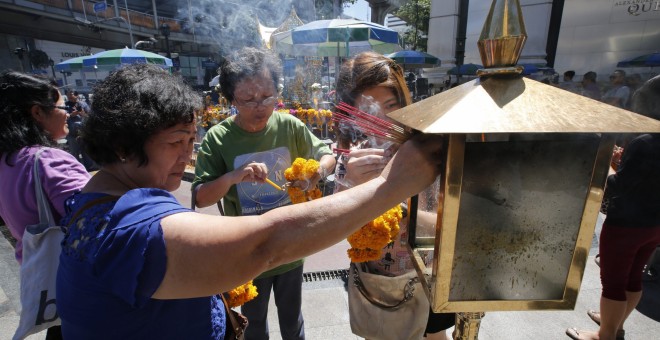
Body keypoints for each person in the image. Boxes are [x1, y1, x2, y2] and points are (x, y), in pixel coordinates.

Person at [54, 63, 442, 339]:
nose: (187, 154)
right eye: (176, 142)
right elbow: (263, 245)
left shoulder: (100, 196)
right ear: (123, 145)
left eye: (192, 140)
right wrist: (390, 187)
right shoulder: (127, 226)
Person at [192, 47, 337, 340]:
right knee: (253, 323)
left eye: (267, 96)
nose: (260, 106)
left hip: (291, 246)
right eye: (247, 99)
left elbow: (326, 155)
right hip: (248, 250)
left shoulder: (289, 125)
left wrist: (315, 174)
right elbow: (200, 197)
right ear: (231, 98)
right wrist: (234, 176)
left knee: (292, 321)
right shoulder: (219, 138)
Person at [335, 51, 455, 340]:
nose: (385, 119)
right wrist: (348, 184)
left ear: (404, 99)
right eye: (368, 111)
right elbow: (337, 226)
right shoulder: (354, 159)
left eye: (392, 104)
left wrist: (403, 211)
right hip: (376, 278)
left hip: (428, 275)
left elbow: (451, 224)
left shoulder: (433, 149)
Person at [566, 75, 660, 340]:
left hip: (627, 225)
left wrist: (609, 163)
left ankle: (604, 334)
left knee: (614, 283)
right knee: (633, 278)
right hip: (654, 225)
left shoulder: (643, 142)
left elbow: (618, 185)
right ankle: (614, 323)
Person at [0, 71, 91, 340]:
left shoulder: (7, 161)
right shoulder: (49, 161)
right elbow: (99, 219)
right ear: (38, 113)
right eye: (62, 107)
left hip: (45, 285)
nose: (68, 112)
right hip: (79, 288)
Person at [64, 89, 96, 171]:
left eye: (71, 94)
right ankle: (77, 170)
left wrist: (82, 113)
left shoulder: (83, 104)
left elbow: (89, 116)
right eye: (68, 95)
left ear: (77, 95)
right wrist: (71, 114)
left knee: (86, 151)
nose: (69, 96)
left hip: (83, 132)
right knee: (74, 153)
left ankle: (89, 168)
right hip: (71, 133)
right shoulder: (65, 105)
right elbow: (63, 117)